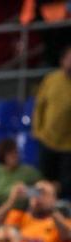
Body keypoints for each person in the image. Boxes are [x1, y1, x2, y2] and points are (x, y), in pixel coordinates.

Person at [33, 45, 71, 197]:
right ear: (62, 60)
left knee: (64, 185)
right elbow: (39, 106)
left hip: (68, 145)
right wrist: (37, 130)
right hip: (47, 140)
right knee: (45, 182)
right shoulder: (51, 79)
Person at [0, 138, 42, 204]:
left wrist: (27, 191)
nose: (14, 156)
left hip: (19, 209)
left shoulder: (29, 171)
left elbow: (43, 191)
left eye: (16, 152)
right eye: (10, 153)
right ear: (3, 155)